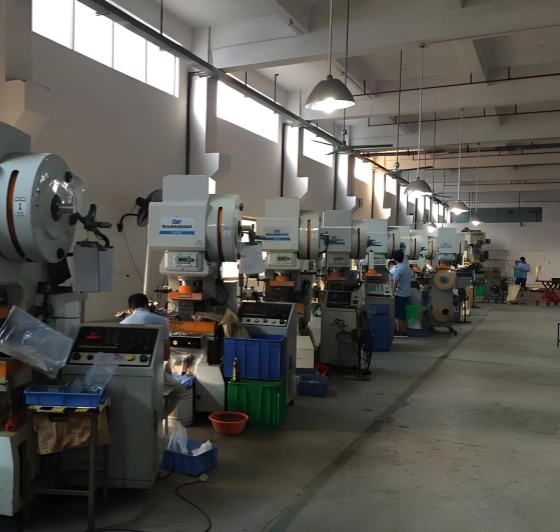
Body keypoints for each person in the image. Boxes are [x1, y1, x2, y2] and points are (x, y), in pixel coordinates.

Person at [120, 293, 171, 361]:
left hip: (129, 361)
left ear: (130, 309)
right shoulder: (162, 320)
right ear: (146, 305)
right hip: (155, 360)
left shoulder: (123, 323)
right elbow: (165, 348)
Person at [391, 250, 411, 337]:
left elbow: (395, 281)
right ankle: (403, 330)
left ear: (394, 259)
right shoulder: (406, 267)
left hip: (400, 294)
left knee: (400, 314)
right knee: (404, 314)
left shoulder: (398, 268)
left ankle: (402, 332)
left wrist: (392, 293)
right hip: (407, 293)